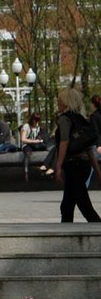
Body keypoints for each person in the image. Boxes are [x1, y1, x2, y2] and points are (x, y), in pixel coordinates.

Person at [54, 88, 101, 223]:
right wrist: (97, 171)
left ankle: (97, 231)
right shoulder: (81, 119)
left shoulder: (64, 119)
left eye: (60, 100)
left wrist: (58, 166)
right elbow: (89, 148)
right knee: (67, 205)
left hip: (73, 165)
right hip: (84, 165)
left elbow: (64, 142)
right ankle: (66, 237)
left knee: (83, 204)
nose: (58, 103)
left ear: (66, 102)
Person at [19, 112, 46, 180]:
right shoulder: (26, 126)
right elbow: (23, 139)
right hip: (27, 145)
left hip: (36, 145)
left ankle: (44, 169)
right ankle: (26, 172)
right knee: (27, 153)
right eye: (36, 121)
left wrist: (40, 140)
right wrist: (34, 141)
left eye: (38, 121)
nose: (37, 123)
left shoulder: (39, 127)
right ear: (33, 120)